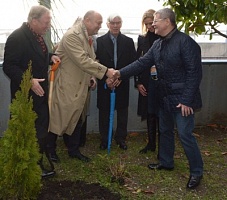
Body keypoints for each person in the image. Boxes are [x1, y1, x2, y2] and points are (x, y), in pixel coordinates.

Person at [111, 8, 204, 189]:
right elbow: (141, 63)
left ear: (167, 22)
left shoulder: (186, 42)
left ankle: (196, 172)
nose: (153, 24)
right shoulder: (158, 44)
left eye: (156, 20)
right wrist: (119, 73)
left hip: (182, 100)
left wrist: (186, 100)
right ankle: (166, 162)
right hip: (164, 97)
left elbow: (195, 73)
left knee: (185, 134)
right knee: (165, 131)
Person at [47, 11, 114, 163]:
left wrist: (92, 77)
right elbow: (83, 60)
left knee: (77, 119)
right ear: (87, 21)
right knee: (58, 118)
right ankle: (50, 150)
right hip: (67, 86)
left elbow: (90, 59)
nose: (100, 26)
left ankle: (74, 150)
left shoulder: (86, 37)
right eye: (98, 22)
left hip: (80, 85)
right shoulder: (72, 36)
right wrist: (106, 72)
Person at [3, 5, 60, 178]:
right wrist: (28, 80)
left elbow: (36, 54)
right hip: (25, 96)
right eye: (46, 22)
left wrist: (50, 56)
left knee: (41, 129)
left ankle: (37, 162)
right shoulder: (17, 38)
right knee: (29, 130)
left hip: (40, 94)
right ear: (33, 21)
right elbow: (9, 66)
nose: (48, 25)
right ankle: (28, 167)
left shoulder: (38, 36)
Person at [96, 13, 136, 150]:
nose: (115, 25)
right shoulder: (99, 41)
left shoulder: (129, 41)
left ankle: (121, 138)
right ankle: (105, 139)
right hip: (105, 83)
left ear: (121, 24)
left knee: (122, 112)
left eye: (118, 23)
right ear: (107, 24)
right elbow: (95, 63)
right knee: (104, 112)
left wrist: (121, 77)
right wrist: (105, 78)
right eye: (112, 23)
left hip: (122, 82)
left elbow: (133, 63)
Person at [134, 9, 160, 155]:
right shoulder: (142, 39)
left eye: (152, 23)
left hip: (161, 82)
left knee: (160, 115)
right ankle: (151, 143)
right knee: (149, 113)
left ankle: (162, 147)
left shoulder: (163, 37)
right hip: (146, 81)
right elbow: (138, 61)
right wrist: (138, 83)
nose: (150, 26)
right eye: (147, 24)